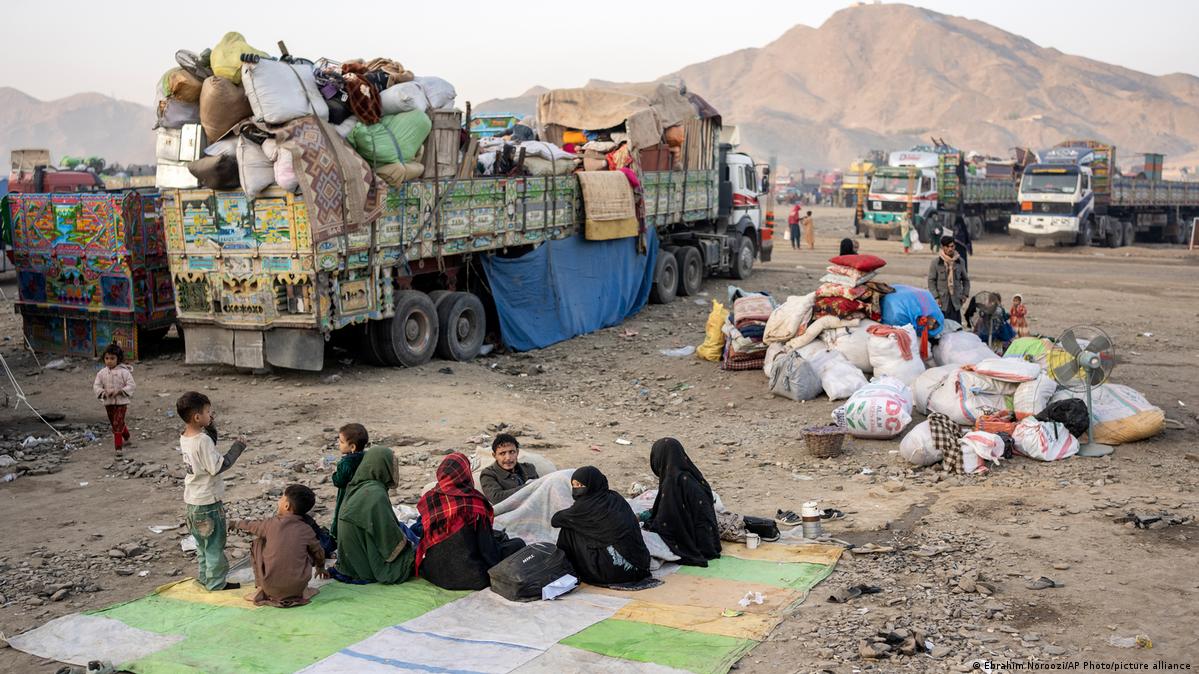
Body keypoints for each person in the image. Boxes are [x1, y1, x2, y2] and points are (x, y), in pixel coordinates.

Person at [416, 453, 525, 590]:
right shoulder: (474, 502)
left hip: (433, 573)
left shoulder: (429, 499)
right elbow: (488, 552)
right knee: (517, 544)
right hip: (471, 577)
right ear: (466, 473)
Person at [177, 391, 247, 591]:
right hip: (208, 503)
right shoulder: (203, 441)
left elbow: (207, 447)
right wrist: (238, 447)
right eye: (208, 412)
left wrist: (210, 426)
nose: (211, 415)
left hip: (192, 503)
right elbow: (218, 466)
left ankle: (204, 578)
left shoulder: (185, 437)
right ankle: (216, 584)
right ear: (197, 417)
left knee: (201, 545)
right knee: (215, 545)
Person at [551, 466, 651, 587]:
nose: (577, 489)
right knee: (574, 522)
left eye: (580, 485)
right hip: (639, 567)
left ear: (591, 484)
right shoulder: (615, 498)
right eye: (574, 485)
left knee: (568, 529)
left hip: (610, 572)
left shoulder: (584, 507)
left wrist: (574, 518)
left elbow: (555, 520)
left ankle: (565, 567)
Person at [229, 484, 326, 607]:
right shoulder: (307, 529)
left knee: (258, 543)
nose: (279, 500)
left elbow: (251, 525)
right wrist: (320, 567)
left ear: (286, 506)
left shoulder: (270, 524)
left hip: (269, 587)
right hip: (298, 587)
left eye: (281, 497)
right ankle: (303, 591)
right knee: (304, 549)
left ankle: (260, 588)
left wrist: (234, 524)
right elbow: (319, 552)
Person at [335, 445, 415, 584]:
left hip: (349, 562)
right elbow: (388, 538)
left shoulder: (356, 486)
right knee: (411, 558)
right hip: (364, 567)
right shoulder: (375, 493)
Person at [644, 438, 721, 567]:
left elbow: (666, 523)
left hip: (694, 544)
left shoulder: (672, 482)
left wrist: (645, 522)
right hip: (710, 542)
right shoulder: (693, 475)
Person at [93, 343, 134, 453]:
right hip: (108, 402)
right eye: (107, 358)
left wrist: (120, 391)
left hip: (121, 402)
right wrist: (103, 393)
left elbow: (131, 385)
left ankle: (118, 448)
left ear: (118, 359)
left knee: (117, 423)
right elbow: (96, 386)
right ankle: (127, 436)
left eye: (112, 358)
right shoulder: (101, 373)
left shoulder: (124, 372)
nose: (109, 361)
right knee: (115, 422)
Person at [330, 423, 368, 542]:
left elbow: (339, 481)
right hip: (363, 493)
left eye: (341, 442)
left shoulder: (346, 463)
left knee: (341, 514)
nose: (339, 445)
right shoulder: (367, 457)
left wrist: (334, 474)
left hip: (346, 494)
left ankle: (337, 537)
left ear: (352, 447)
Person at [479, 433, 539, 505]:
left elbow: (541, 491)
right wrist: (530, 487)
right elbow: (496, 498)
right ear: (494, 456)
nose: (508, 458)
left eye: (512, 452)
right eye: (502, 453)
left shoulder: (529, 468)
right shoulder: (488, 474)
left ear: (517, 452)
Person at [928, 237, 970, 323]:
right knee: (942, 328)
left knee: (956, 327)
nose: (950, 249)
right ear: (943, 247)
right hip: (942, 302)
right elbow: (931, 281)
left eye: (952, 246)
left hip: (956, 301)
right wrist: (936, 297)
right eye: (947, 247)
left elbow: (966, 280)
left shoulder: (960, 262)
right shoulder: (936, 263)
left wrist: (965, 295)